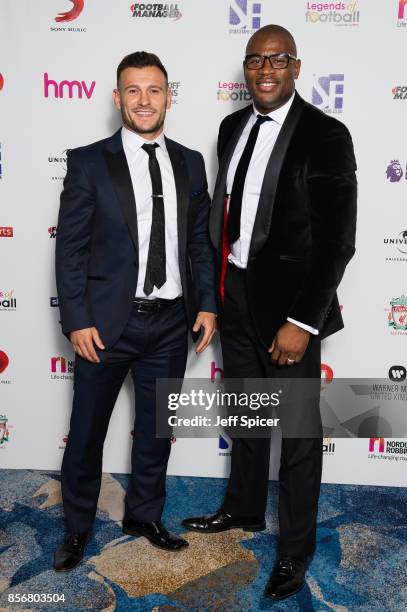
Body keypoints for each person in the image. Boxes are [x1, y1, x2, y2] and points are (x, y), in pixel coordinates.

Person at [182, 25, 357, 600]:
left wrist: (303, 321)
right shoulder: (231, 128)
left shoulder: (327, 135)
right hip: (237, 299)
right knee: (249, 420)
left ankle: (295, 550)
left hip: (290, 312)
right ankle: (242, 510)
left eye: (277, 60)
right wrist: (215, 298)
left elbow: (337, 242)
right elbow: (224, 220)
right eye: (256, 60)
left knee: (300, 436)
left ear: (296, 67)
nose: (265, 70)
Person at [54, 51, 217, 571]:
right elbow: (70, 248)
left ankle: (144, 516)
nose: (144, 101)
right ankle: (77, 528)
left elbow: (199, 241)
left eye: (154, 90)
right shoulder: (89, 161)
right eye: (133, 90)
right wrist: (77, 317)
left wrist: (208, 305)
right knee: (85, 434)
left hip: (171, 322)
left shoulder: (190, 162)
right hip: (103, 326)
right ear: (117, 97)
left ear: (170, 96)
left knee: (155, 431)